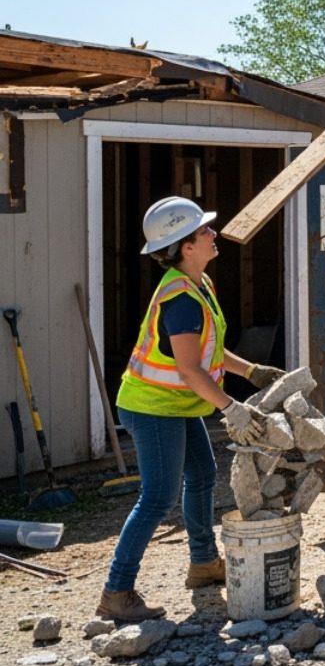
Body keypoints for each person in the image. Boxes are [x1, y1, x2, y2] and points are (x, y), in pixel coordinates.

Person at [97, 197, 286, 622]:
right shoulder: (180, 300)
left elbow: (211, 353)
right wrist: (231, 408)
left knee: (201, 475)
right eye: (204, 231)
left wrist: (251, 370)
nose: (213, 234)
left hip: (176, 406)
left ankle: (203, 565)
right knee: (156, 498)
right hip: (153, 408)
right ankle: (117, 591)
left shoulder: (199, 285)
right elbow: (188, 369)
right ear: (185, 245)